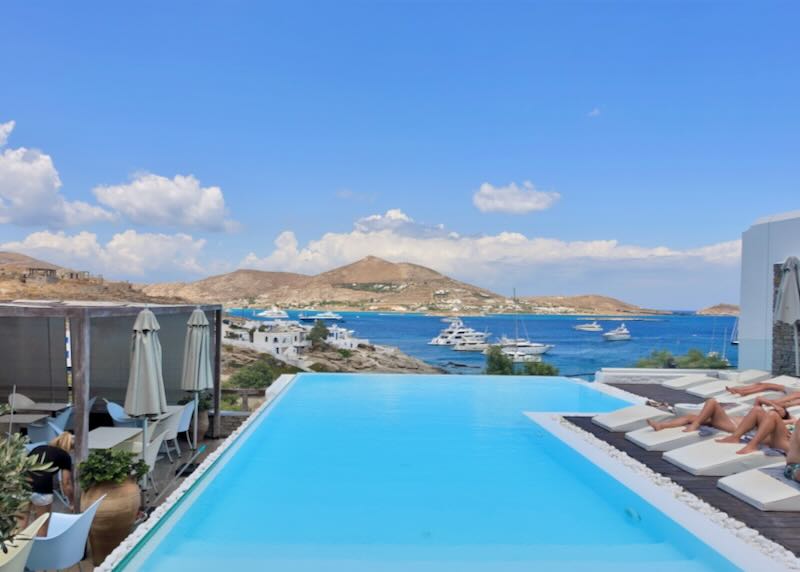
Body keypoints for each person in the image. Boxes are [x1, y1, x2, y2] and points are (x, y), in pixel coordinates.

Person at [26, 432, 75, 535]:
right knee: (42, 524)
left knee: (21, 523)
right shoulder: (65, 456)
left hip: (23, 486)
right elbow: (66, 482)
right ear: (69, 447)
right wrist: (72, 502)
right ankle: (42, 550)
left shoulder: (39, 448)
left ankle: (17, 549)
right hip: (42, 489)